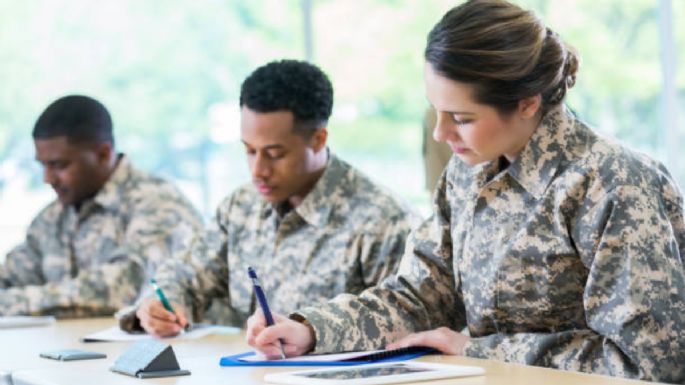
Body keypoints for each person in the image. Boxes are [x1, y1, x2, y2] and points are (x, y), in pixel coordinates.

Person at [246, 1, 685, 383]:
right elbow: (419, 295)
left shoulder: (612, 183)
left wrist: (478, 350)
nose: (440, 133)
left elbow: (648, 363)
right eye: (436, 112)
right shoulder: (467, 173)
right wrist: (311, 330)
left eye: (461, 117)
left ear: (527, 102)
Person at [121, 59, 416, 335]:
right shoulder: (242, 207)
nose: (258, 170)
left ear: (318, 139)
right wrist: (161, 305)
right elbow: (185, 273)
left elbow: (405, 323)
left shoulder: (382, 221)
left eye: (275, 154)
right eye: (249, 151)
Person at [0, 95, 203, 318]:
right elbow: (12, 275)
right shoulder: (54, 216)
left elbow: (122, 290)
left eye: (59, 165)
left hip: (159, 351)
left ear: (104, 154)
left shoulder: (158, 205)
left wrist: (11, 303)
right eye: (43, 165)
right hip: (69, 349)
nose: (48, 178)